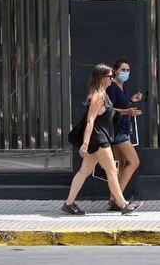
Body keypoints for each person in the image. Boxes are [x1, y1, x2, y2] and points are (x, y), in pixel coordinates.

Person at [61, 64, 142, 216]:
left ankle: (68, 203)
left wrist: (128, 109)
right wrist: (85, 144)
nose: (112, 79)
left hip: (98, 138)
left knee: (84, 171)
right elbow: (90, 121)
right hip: (99, 140)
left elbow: (109, 115)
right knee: (112, 172)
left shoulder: (103, 94)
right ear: (101, 78)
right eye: (110, 76)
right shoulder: (97, 96)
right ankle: (123, 205)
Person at [105, 58, 144, 206]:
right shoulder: (112, 87)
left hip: (122, 130)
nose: (126, 72)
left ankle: (113, 199)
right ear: (115, 71)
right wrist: (128, 111)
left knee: (120, 164)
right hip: (118, 131)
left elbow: (121, 104)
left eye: (128, 70)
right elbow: (109, 109)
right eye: (123, 70)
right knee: (134, 162)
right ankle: (117, 199)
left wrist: (132, 100)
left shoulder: (122, 87)